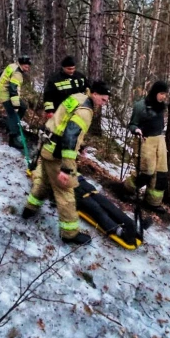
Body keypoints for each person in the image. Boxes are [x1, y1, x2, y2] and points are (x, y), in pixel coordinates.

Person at [22, 81, 111, 245]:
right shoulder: (86, 111)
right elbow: (70, 136)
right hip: (58, 153)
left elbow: (64, 123)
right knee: (66, 193)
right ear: (95, 94)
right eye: (103, 100)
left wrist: (80, 145)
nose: (104, 104)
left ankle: (30, 208)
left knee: (45, 183)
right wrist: (66, 168)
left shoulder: (77, 97)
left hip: (47, 144)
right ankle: (69, 234)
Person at [123, 81, 169, 214]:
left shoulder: (161, 107)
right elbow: (132, 124)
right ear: (155, 92)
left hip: (160, 141)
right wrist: (136, 129)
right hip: (145, 141)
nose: (163, 97)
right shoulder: (141, 106)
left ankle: (152, 202)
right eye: (161, 94)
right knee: (146, 172)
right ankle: (126, 190)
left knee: (160, 173)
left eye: (165, 94)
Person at [0, 56, 31, 149]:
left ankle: (12, 124)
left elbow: (0, 73)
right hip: (6, 94)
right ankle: (13, 138)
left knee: (23, 107)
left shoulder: (12, 65)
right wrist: (15, 105)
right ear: (21, 65)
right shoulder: (18, 74)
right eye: (26, 67)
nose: (27, 68)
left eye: (28, 66)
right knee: (12, 113)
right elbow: (13, 90)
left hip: (5, 91)